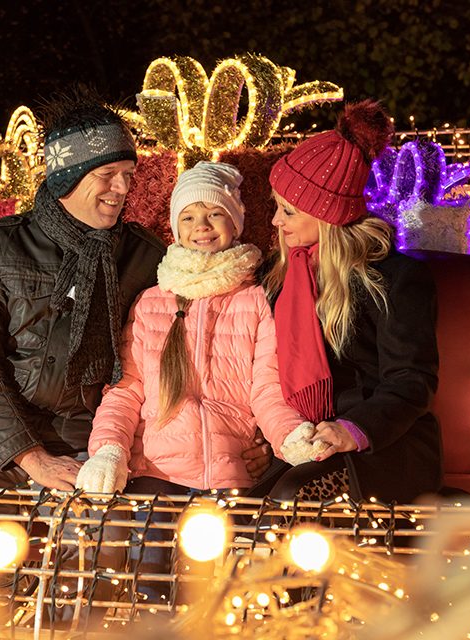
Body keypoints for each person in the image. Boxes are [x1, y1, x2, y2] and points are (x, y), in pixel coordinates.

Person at [73, 161, 310, 606]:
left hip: (228, 471)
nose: (201, 226)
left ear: (235, 222)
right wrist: (108, 449)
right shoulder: (151, 302)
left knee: (215, 594)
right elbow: (128, 389)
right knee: (150, 581)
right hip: (155, 471)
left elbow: (268, 387)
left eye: (214, 214)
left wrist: (287, 435)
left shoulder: (255, 300)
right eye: (188, 216)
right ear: (175, 227)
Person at [0, 92, 166, 493]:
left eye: (128, 173)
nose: (122, 187)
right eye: (107, 173)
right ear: (68, 176)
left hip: (85, 441)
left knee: (92, 544)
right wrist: (32, 458)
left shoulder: (146, 256)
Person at [253, 100, 442, 504]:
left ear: (325, 216)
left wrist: (350, 430)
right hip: (303, 441)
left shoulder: (395, 279)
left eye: (288, 211)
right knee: (237, 511)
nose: (275, 221)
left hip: (381, 448)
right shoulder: (278, 275)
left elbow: (411, 381)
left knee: (291, 501)